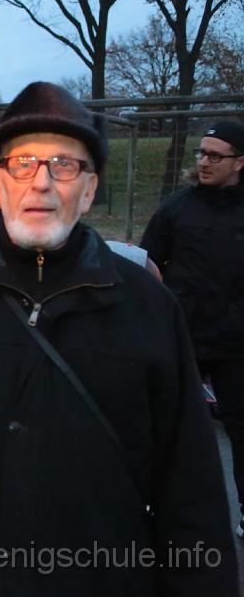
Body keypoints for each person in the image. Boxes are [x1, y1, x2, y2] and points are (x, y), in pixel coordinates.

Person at [0, 81, 237, 596]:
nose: (42, 183)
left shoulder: (148, 308)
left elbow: (192, 487)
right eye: (22, 164)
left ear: (89, 190)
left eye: (64, 165)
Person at [141, 120, 244, 537]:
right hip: (182, 335)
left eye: (215, 156)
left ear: (239, 162)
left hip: (236, 342)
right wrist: (164, 306)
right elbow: (148, 260)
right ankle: (152, 505)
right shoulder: (177, 208)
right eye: (201, 153)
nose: (203, 162)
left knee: (241, 427)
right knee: (164, 424)